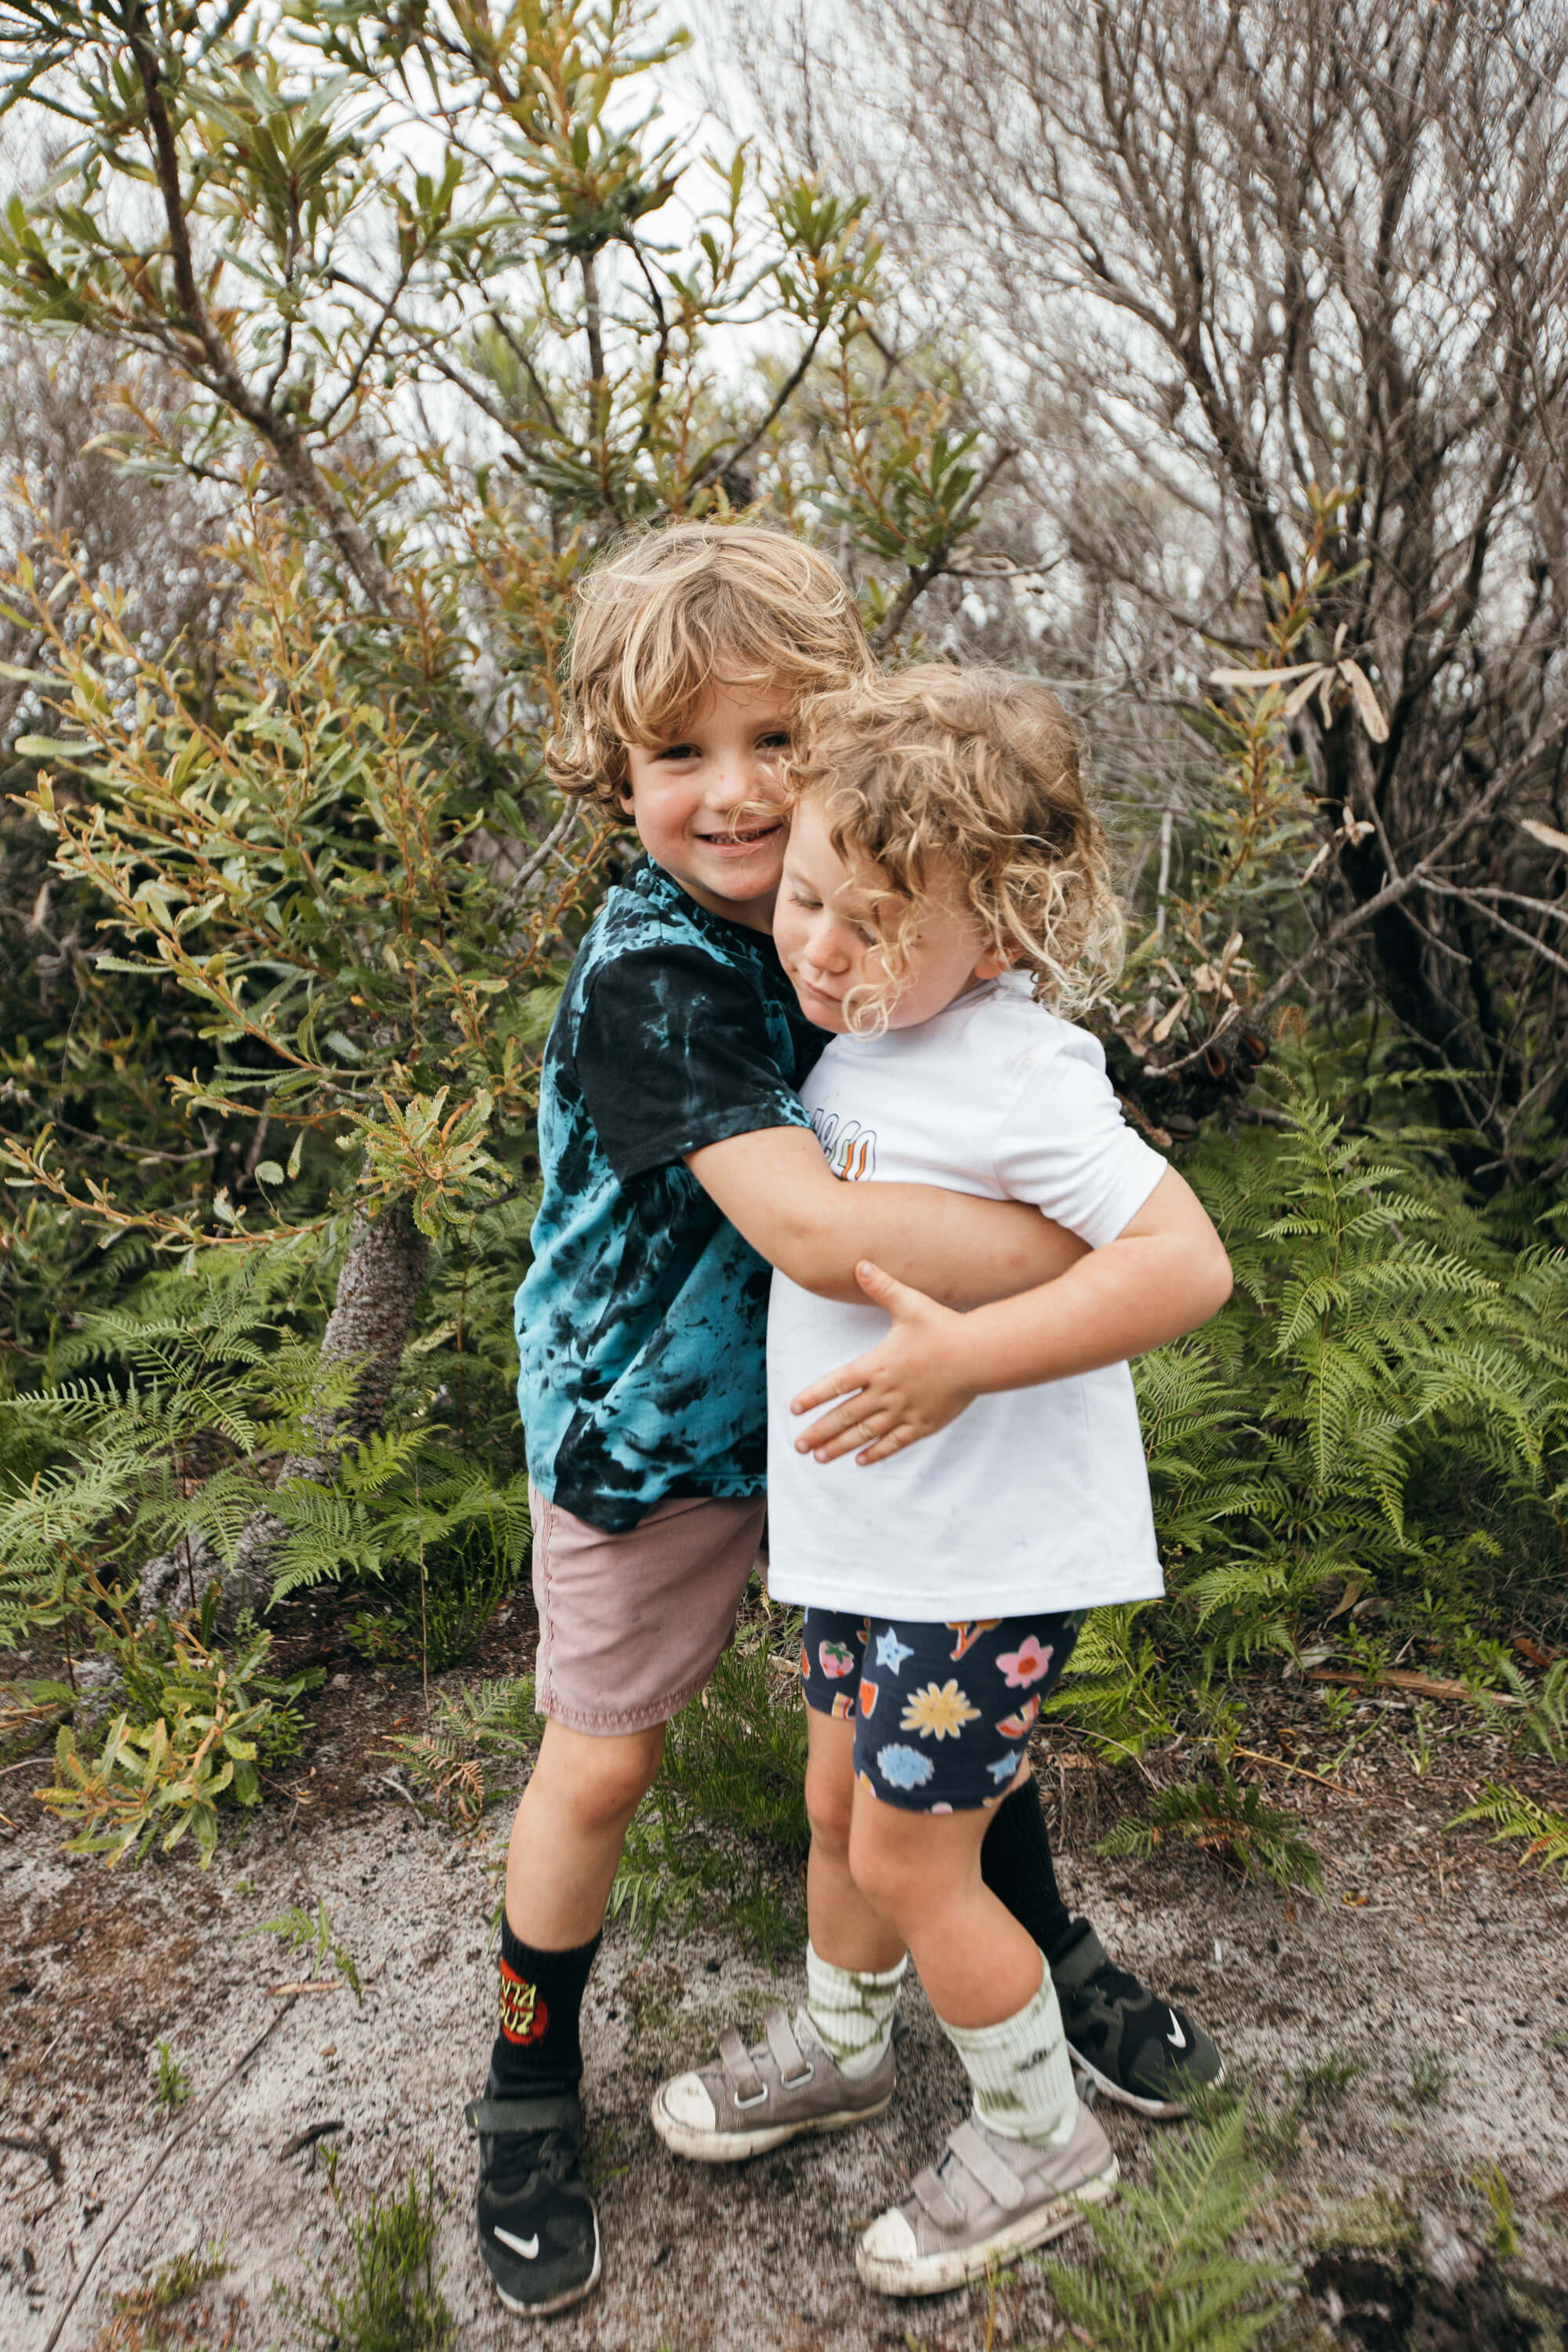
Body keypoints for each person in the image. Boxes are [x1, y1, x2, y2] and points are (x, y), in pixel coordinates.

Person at [468, 528, 1218, 2319]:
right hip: (647, 1441)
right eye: (678, 753)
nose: (734, 798)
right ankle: (521, 2092)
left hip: (855, 1457)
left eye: (775, 742)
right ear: (613, 767)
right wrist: (1072, 1252)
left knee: (914, 1757)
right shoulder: (660, 974)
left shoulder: (878, 926)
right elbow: (812, 1225)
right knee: (602, 1759)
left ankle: (1040, 1970)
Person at [652, 664, 1233, 2297]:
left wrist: (968, 1359)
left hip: (979, 1555)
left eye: (880, 923)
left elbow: (1184, 1264)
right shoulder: (857, 1036)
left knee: (918, 1854)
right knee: (839, 1806)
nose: (825, 946)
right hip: (874, 1544)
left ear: (1007, 926)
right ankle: (844, 2048)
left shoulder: (1020, 1070)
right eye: (814, 896)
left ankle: (1041, 2136)